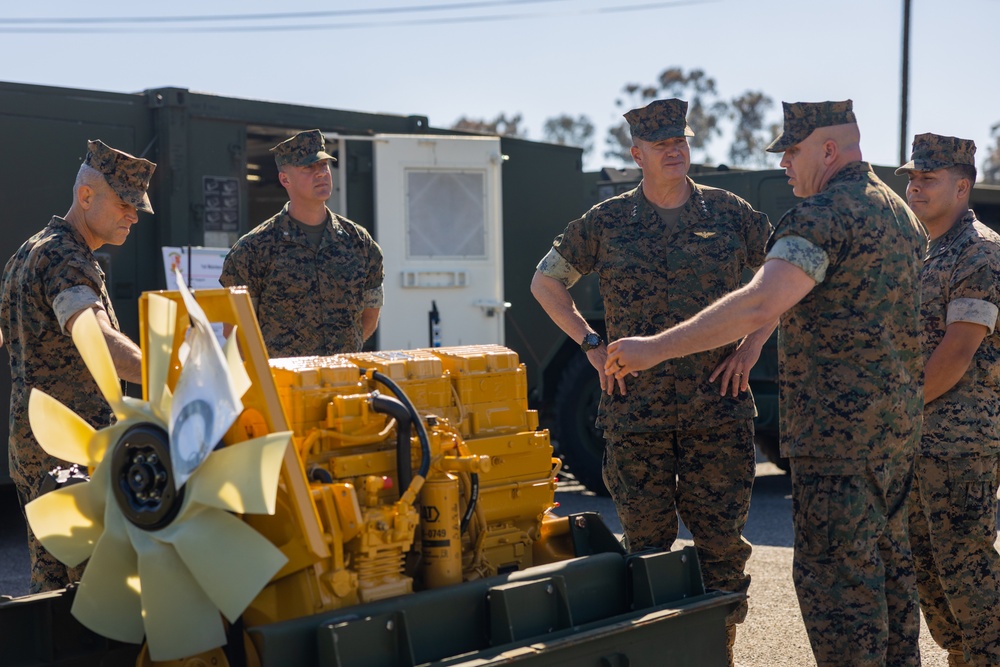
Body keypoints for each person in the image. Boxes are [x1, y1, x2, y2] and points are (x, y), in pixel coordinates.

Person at [605, 100, 927, 667]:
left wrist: (653, 349)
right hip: (895, 438)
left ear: (828, 150)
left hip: (839, 447)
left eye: (792, 151)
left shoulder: (822, 216)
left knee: (841, 600)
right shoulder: (900, 212)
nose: (783, 164)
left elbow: (759, 302)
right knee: (890, 585)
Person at [530, 98, 771, 665]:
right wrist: (591, 345)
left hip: (719, 403)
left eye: (680, 140)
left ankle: (717, 653)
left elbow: (782, 280)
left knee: (720, 549)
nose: (675, 150)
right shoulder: (607, 220)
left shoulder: (731, 213)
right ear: (637, 153)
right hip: (636, 410)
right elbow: (546, 283)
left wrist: (753, 342)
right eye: (662, 144)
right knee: (645, 547)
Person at [0, 140, 148, 593]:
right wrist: (177, 368)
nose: (134, 216)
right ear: (86, 196)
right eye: (124, 203)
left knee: (53, 588)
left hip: (35, 445)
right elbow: (98, 341)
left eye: (138, 207)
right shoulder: (66, 258)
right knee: (102, 591)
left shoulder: (29, 251)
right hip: (72, 452)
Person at [897, 133, 1000, 667]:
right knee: (926, 570)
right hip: (916, 441)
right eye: (912, 178)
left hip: (960, 443)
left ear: (962, 187)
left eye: (928, 179)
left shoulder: (980, 251)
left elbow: (958, 351)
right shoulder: (921, 249)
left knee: (967, 566)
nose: (915, 188)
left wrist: (896, 413)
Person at [220, 129, 384, 357]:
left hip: (343, 380)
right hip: (284, 385)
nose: (321, 174)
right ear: (285, 179)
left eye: (324, 166)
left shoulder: (359, 242)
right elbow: (236, 332)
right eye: (309, 167)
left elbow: (370, 316)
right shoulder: (253, 249)